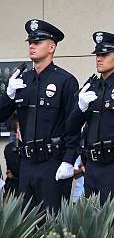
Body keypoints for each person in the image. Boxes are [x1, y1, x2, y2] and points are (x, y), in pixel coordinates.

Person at [0, 19, 79, 212]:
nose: (32, 46)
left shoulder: (65, 81)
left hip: (52, 162)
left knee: (52, 223)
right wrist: (9, 95)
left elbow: (74, 126)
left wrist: (69, 160)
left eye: (37, 42)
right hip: (26, 164)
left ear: (51, 47)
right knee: (27, 224)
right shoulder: (21, 81)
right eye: (30, 42)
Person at [65, 32, 114, 202]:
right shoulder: (91, 88)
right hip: (92, 166)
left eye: (104, 54)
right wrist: (80, 108)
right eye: (97, 55)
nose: (99, 59)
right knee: (94, 221)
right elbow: (70, 128)